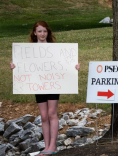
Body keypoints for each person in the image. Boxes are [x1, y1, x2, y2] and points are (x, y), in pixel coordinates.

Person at [10, 21, 81, 155]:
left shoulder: (55, 48)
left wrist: (75, 66)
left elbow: (65, 64)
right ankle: (47, 146)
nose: (42, 34)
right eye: (40, 31)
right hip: (38, 85)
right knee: (43, 116)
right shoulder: (28, 50)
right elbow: (23, 66)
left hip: (53, 84)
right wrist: (14, 66)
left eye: (45, 31)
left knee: (51, 113)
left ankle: (53, 147)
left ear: (48, 33)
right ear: (35, 33)